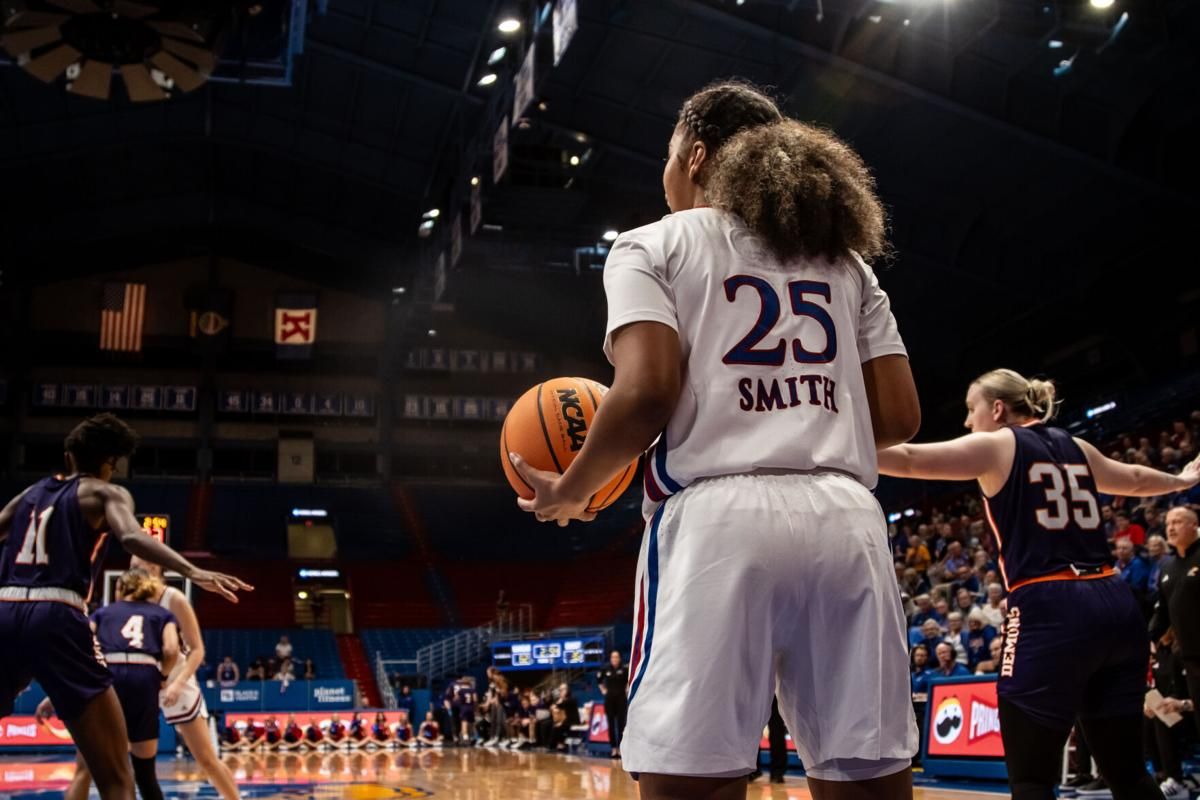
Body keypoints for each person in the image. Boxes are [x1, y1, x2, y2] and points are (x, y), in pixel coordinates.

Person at [511, 79, 920, 800]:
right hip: (848, 518)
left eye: (670, 156)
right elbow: (899, 419)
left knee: (688, 777)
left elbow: (644, 395)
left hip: (718, 520)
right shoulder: (845, 261)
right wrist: (806, 411)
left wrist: (571, 491)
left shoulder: (653, 243)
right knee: (865, 775)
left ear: (695, 156)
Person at [878, 368, 1200, 800]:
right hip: (1114, 601)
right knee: (1127, 773)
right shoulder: (1078, 446)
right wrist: (1182, 480)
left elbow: (911, 459)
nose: (967, 423)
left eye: (971, 410)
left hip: (1050, 604)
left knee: (1031, 780)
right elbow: (1138, 480)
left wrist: (835, 442)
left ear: (997, 408)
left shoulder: (996, 444)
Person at [0, 413, 249, 800]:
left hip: (5, 607)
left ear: (68, 456)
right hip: (58, 611)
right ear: (109, 464)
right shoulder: (104, 492)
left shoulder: (30, 495)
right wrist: (191, 569)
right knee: (117, 774)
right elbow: (131, 537)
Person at [44, 568, 180, 800]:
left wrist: (59, 689)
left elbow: (78, 647)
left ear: (120, 588)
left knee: (85, 769)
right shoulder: (162, 614)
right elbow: (170, 649)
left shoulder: (103, 613)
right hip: (145, 676)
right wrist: (163, 677)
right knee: (145, 773)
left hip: (108, 673)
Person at [129, 555, 243, 800]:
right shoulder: (128, 601)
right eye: (133, 566)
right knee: (123, 760)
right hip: (139, 679)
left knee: (206, 759)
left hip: (175, 680)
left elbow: (197, 649)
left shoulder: (174, 598)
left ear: (157, 567)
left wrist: (177, 682)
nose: (137, 569)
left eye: (142, 564)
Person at [1148, 507, 1200, 737]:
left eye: (1178, 521)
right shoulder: (1167, 567)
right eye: (1168, 522)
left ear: (1193, 526)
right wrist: (1150, 638)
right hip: (1189, 655)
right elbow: (1162, 611)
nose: (1171, 527)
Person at [597, 650, 628, 759]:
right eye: (613, 657)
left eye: (617, 657)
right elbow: (599, 680)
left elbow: (629, 681)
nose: (615, 659)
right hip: (609, 700)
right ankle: (613, 749)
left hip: (621, 699)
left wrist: (626, 690)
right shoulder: (606, 669)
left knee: (621, 725)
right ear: (610, 659)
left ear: (619, 658)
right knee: (610, 724)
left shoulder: (624, 669)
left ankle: (620, 749)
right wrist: (603, 690)